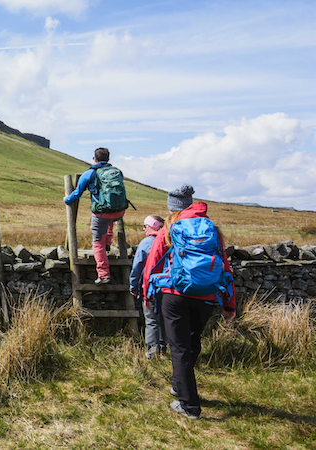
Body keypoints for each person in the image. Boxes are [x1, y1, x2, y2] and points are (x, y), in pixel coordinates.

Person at [142, 184, 236, 420]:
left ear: (172, 207)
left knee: (180, 349)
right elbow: (224, 266)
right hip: (206, 296)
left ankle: (189, 405)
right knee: (193, 343)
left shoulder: (169, 229)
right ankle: (180, 386)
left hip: (174, 295)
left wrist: (147, 294)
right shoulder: (211, 229)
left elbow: (152, 263)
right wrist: (229, 303)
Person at [63, 147, 127, 284]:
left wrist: (66, 199)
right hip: (119, 212)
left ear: (95, 159)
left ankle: (104, 275)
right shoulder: (116, 172)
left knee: (98, 244)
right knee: (109, 220)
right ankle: (108, 244)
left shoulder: (89, 174)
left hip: (101, 214)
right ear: (108, 159)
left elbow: (77, 193)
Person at [130, 215, 166, 359]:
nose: (144, 229)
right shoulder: (168, 241)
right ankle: (163, 349)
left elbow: (137, 266)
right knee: (163, 318)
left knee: (151, 320)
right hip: (168, 286)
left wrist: (133, 285)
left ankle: (152, 352)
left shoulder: (146, 242)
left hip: (150, 286)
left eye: (145, 226)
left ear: (152, 226)